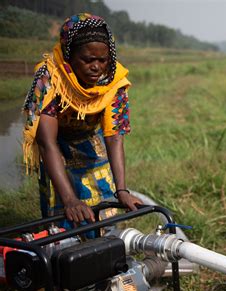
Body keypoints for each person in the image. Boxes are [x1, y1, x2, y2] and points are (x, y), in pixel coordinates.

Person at [22, 13, 142, 230]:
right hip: (55, 145)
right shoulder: (50, 77)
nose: (96, 67)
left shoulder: (113, 81)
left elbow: (114, 137)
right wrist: (69, 199)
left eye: (102, 60)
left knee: (104, 210)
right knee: (63, 215)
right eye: (87, 60)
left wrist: (122, 190)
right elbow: (46, 141)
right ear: (70, 55)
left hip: (89, 140)